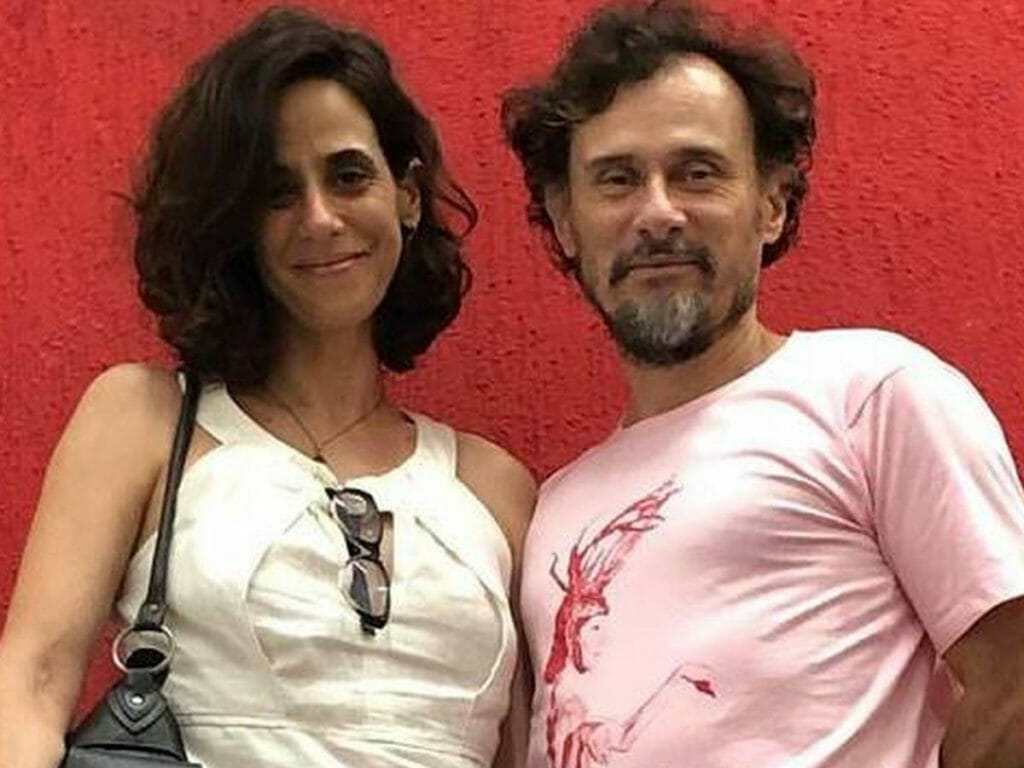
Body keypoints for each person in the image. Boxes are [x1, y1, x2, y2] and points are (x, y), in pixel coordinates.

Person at [0, 7, 535, 768]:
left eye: (348, 175)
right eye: (277, 193)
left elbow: (526, 745)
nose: (320, 219)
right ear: (236, 222)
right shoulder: (143, 421)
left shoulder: (496, 490)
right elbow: (29, 685)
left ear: (408, 195)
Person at [501, 1, 1024, 766]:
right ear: (566, 221)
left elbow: (1014, 682)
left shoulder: (870, 396)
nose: (658, 213)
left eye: (698, 173)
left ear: (771, 204)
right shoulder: (555, 510)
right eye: (617, 179)